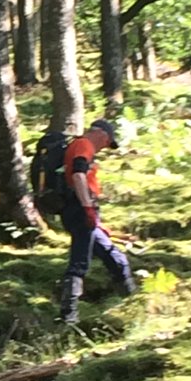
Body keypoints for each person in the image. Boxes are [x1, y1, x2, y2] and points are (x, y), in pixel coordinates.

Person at [59, 118, 136, 324]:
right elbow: (78, 175)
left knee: (116, 259)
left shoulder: (83, 146)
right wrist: (87, 208)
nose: (104, 147)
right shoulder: (83, 144)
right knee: (79, 263)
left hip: (85, 211)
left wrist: (96, 219)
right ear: (101, 134)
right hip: (80, 209)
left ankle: (133, 304)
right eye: (107, 141)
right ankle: (69, 317)